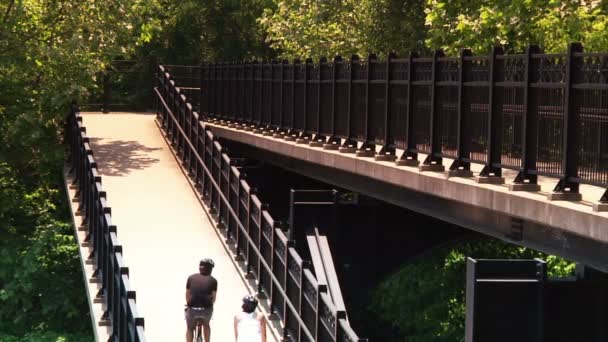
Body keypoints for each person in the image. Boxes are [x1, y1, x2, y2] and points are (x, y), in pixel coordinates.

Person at [185, 258, 218, 342]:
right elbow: (213, 298)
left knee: (190, 328)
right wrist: (210, 305)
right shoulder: (213, 280)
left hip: (192, 309)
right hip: (206, 309)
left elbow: (187, 294)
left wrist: (188, 304)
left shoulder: (191, 278)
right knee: (206, 325)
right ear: (210, 269)